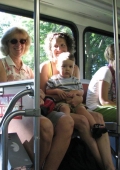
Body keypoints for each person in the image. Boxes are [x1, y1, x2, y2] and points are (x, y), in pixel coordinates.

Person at [0, 27, 74, 170]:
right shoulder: (0, 64)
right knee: (46, 126)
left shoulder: (28, 70)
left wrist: (40, 94)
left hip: (33, 109)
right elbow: (1, 95)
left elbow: (38, 92)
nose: (19, 45)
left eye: (23, 41)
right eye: (14, 41)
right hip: (15, 113)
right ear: (7, 44)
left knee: (67, 121)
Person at [40, 32, 115, 170]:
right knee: (83, 121)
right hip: (57, 107)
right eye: (55, 46)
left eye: (62, 45)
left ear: (68, 47)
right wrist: (62, 95)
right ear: (50, 49)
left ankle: (110, 164)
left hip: (75, 105)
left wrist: (78, 98)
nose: (59, 48)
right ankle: (103, 165)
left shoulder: (74, 68)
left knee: (98, 117)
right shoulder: (46, 67)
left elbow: (78, 91)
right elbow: (44, 96)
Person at [46, 52, 107, 138]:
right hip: (62, 101)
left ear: (73, 68)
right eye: (64, 66)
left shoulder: (75, 80)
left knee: (82, 109)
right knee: (65, 108)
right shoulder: (54, 79)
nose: (67, 69)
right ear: (58, 67)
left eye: (70, 67)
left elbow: (81, 92)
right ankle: (67, 127)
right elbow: (47, 91)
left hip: (75, 101)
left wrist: (76, 92)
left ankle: (95, 126)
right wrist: (57, 91)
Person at [86, 43, 118, 122]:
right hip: (95, 108)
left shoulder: (115, 74)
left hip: (103, 107)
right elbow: (104, 101)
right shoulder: (106, 71)